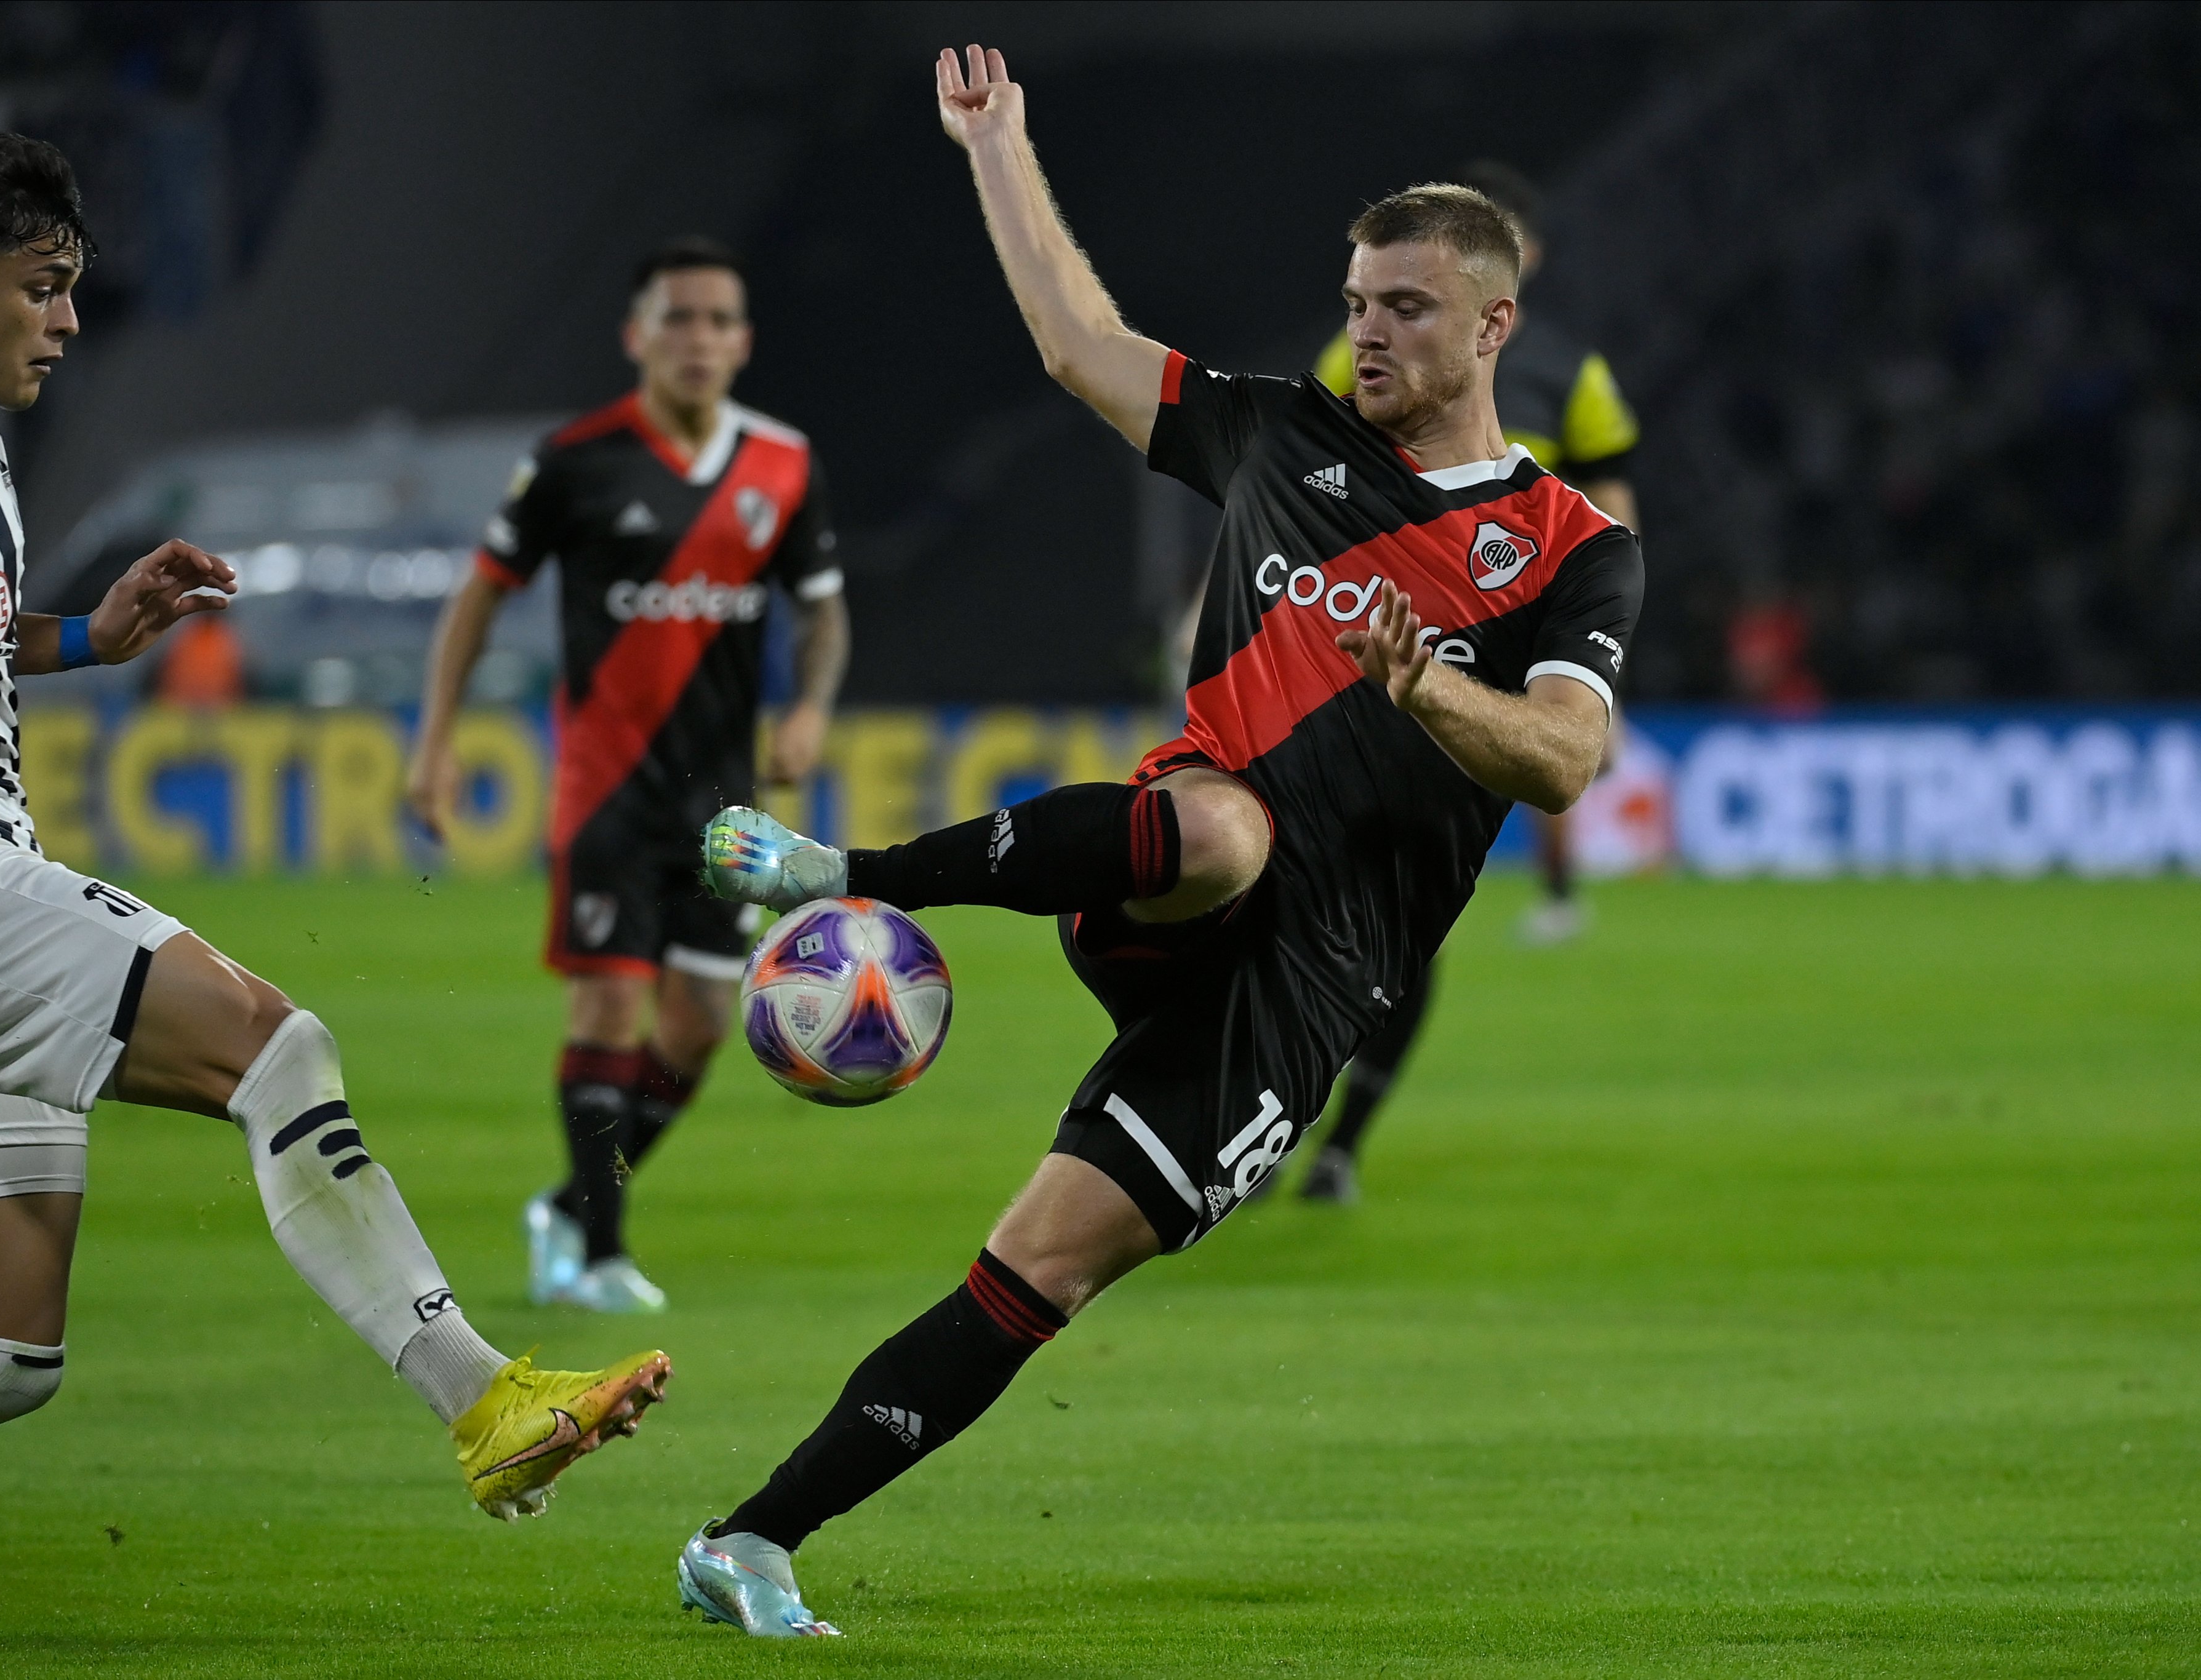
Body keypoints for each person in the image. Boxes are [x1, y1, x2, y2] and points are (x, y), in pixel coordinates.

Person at [671, 46, 1645, 1638]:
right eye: (1356, 298)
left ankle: (750, 1540)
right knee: (1227, 823)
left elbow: (1567, 754)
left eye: (1406, 304)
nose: (1370, 328)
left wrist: (1430, 687)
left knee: (1039, 1268)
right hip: (1169, 872)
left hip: (1316, 983)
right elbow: (1075, 342)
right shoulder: (1276, 439)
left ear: (1494, 325)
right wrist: (998, 146)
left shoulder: (1570, 548)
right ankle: (842, 876)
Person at [0, 135, 666, 1551]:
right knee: (277, 1046)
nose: (70, 321)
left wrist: (92, 633)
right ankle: (481, 1400)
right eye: (45, 287)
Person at [406, 237, 849, 1315]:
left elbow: (825, 604)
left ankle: (567, 1203)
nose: (697, 339)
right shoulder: (576, 461)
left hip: (724, 808)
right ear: (637, 335)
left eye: (717, 320)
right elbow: (480, 595)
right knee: (608, 1009)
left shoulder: (783, 464)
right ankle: (600, 1255)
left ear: (743, 342)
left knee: (696, 1028)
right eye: (677, 318)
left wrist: (811, 707)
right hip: (604, 790)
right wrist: (436, 738)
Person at [1317, 159, 1640, 949]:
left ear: (1528, 257)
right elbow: (1306, 448)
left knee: (1536, 744)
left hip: (1515, 587)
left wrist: (1605, 619)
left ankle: (1557, 892)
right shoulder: (1374, 345)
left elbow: (1611, 494)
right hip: (1392, 582)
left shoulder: (1572, 372)